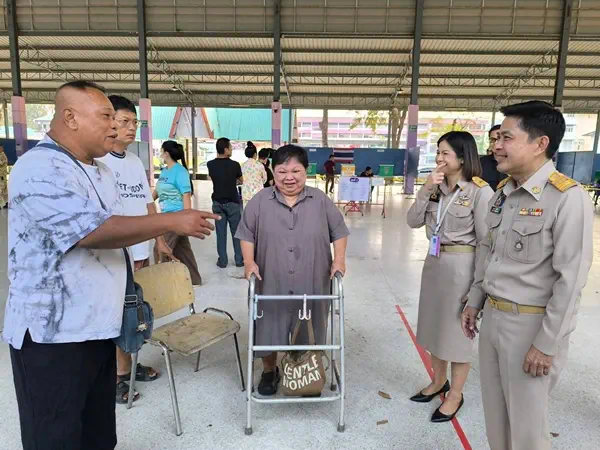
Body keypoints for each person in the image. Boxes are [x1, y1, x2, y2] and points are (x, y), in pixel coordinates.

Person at [3, 80, 219, 450]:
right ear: (70, 117)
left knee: (99, 435)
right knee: (55, 437)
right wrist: (170, 221)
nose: (115, 127)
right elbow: (93, 232)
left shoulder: (101, 170)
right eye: (106, 117)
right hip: (53, 336)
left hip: (98, 328)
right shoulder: (39, 167)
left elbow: (119, 232)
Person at [461, 101, 593, 450]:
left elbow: (571, 281)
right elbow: (488, 253)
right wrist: (474, 301)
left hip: (531, 328)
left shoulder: (567, 198)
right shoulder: (503, 194)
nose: (496, 146)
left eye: (507, 138)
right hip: (493, 319)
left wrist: (546, 344)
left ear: (540, 143)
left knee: (527, 432)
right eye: (496, 138)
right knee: (497, 421)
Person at [236, 144, 349, 396]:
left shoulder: (320, 200)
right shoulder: (260, 201)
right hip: (271, 278)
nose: (289, 177)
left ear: (306, 171)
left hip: (312, 278)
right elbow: (246, 234)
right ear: (272, 172)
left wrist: (339, 259)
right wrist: (248, 262)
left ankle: (306, 371)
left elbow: (339, 230)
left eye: (296, 171)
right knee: (267, 325)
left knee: (309, 325)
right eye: (282, 171)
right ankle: (269, 371)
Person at [407, 131, 493, 423]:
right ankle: (438, 381)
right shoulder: (435, 188)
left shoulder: (479, 192)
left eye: (445, 153)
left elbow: (485, 244)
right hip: (434, 265)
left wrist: (477, 287)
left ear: (462, 157)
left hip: (461, 268)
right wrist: (425, 189)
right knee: (434, 328)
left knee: (457, 334)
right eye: (438, 152)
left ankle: (455, 394)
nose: (439, 158)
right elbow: (412, 221)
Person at [98, 95, 176, 404]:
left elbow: (147, 204)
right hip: (112, 253)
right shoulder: (98, 162)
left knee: (132, 310)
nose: (132, 128)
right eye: (124, 121)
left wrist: (158, 238)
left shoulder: (133, 161)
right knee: (113, 313)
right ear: (108, 121)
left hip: (138, 251)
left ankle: (127, 366)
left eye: (135, 122)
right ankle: (115, 375)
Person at [154, 140, 203, 284]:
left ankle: (161, 283)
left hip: (176, 217)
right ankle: (194, 280)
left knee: (160, 248)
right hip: (165, 215)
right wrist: (146, 202)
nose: (160, 154)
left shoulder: (180, 171)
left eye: (161, 151)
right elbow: (157, 190)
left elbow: (186, 195)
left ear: (166, 153)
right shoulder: (165, 171)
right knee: (183, 250)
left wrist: (187, 219)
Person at [207, 137, 245, 268]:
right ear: (225, 149)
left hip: (217, 203)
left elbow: (214, 178)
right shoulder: (235, 165)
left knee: (220, 233)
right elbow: (241, 180)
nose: (232, 149)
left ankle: (223, 261)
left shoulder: (210, 164)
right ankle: (239, 260)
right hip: (232, 203)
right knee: (236, 233)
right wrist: (232, 181)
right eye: (230, 147)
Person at [479, 125, 507, 191]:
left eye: (500, 139)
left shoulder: (516, 163)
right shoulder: (479, 163)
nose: (496, 144)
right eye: (493, 140)